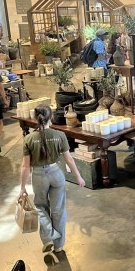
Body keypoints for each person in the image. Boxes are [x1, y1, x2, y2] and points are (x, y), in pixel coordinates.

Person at [20, 105, 85, 253]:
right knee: (58, 211)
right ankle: (59, 245)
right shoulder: (59, 135)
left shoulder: (28, 139)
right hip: (56, 174)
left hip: (38, 176)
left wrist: (22, 188)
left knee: (40, 207)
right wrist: (78, 176)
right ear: (51, 117)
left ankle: (49, 236)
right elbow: (69, 159)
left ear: (35, 118)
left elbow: (25, 166)